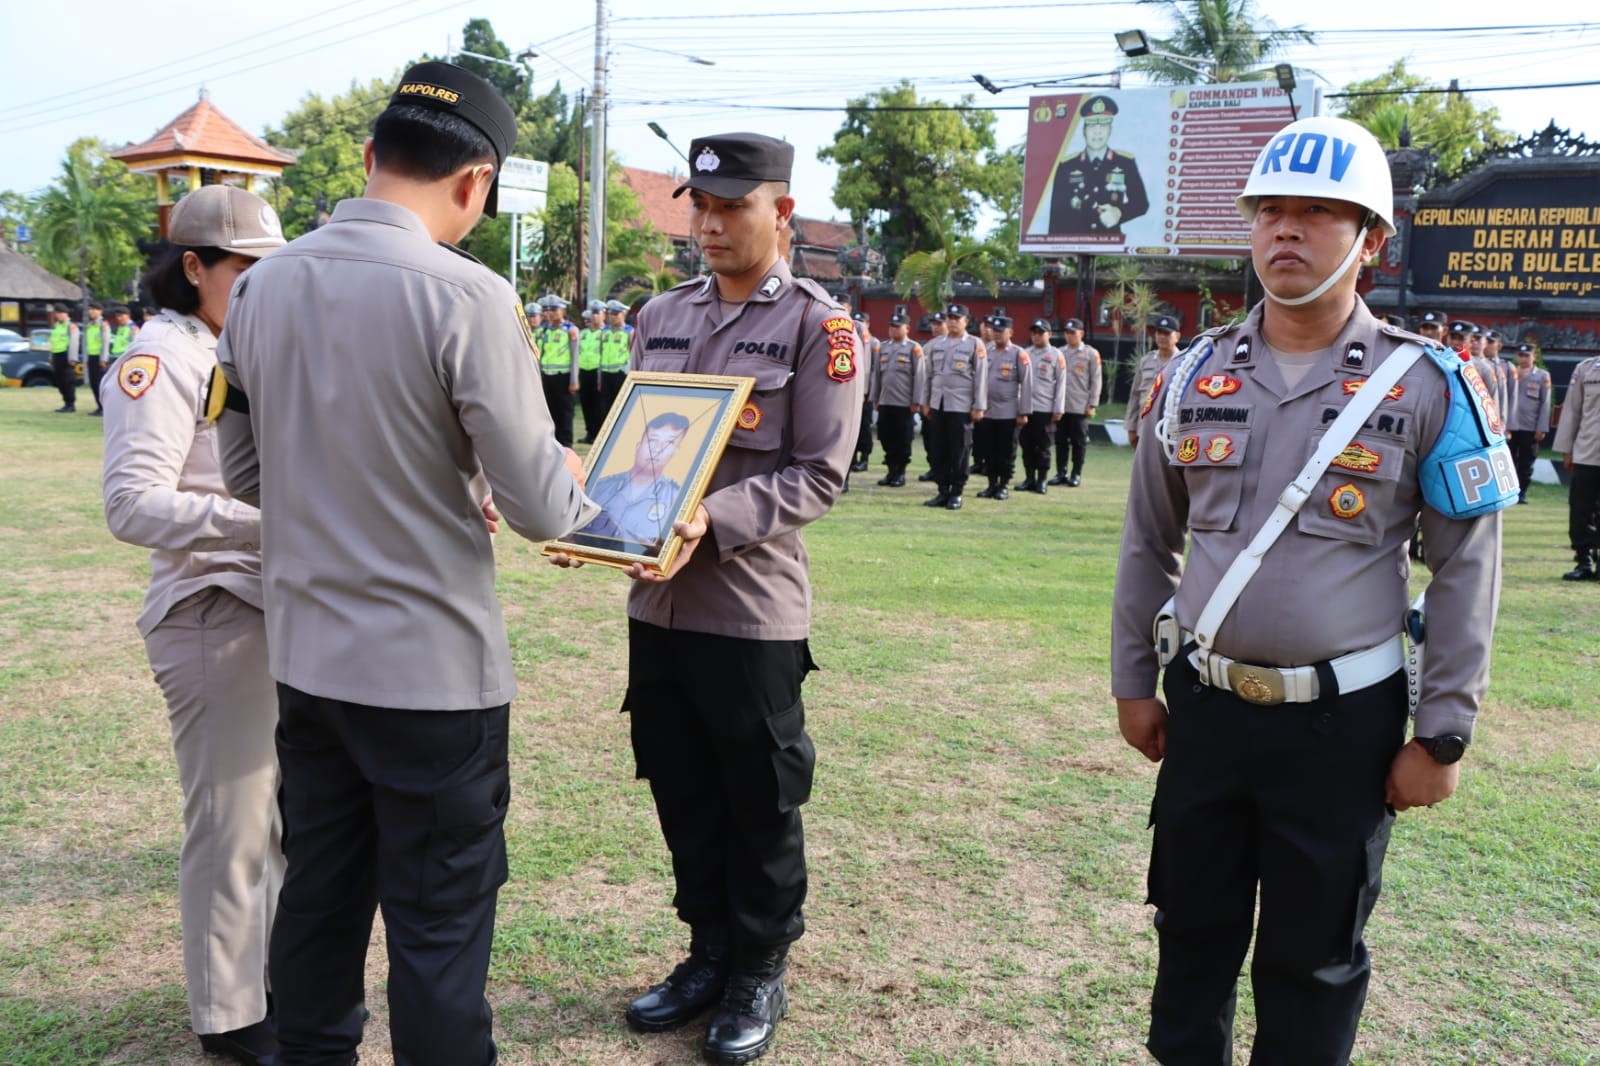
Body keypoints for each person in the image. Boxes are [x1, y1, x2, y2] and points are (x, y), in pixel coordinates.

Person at [1112, 115, 1514, 1066]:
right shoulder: (1192, 375)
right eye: (1270, 213)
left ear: (1372, 240)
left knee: (1314, 961)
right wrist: (1134, 679)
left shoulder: (1432, 386)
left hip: (1345, 728)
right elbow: (1146, 541)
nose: (1285, 233)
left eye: (1318, 215)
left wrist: (1443, 731)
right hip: (1206, 710)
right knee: (1191, 943)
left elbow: (1465, 570)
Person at [213, 61, 592, 1066]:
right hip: (432, 679)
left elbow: (243, 475)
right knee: (436, 936)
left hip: (309, 664)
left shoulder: (259, 287)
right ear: (475, 184)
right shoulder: (469, 295)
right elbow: (541, 504)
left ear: (371, 156)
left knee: (320, 906)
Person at [583, 131, 859, 1065]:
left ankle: (759, 968)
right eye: (697, 206)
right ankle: (706, 951)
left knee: (758, 797)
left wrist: (711, 517)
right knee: (681, 785)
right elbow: (635, 449)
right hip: (657, 605)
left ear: (780, 211)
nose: (707, 224)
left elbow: (818, 476)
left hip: (747, 610)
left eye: (729, 207)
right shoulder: (660, 313)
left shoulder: (820, 328)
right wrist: (606, 514)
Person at [102, 184, 286, 1066]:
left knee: (272, 816)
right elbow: (131, 504)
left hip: (266, 604)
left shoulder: (230, 346)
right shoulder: (163, 358)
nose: (260, 285)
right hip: (212, 608)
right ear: (194, 267)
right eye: (245, 268)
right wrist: (276, 523)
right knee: (230, 820)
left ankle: (262, 982)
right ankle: (229, 1015)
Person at [570, 411, 690, 556]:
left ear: (675, 452)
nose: (658, 449)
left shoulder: (678, 498)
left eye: (669, 443)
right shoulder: (599, 487)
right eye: (652, 440)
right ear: (638, 445)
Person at [1048, 95, 1149, 236]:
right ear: (1084, 131)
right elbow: (1056, 214)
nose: (1097, 131)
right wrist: (1055, 253)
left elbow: (1141, 203)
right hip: (1076, 243)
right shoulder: (1067, 166)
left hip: (1111, 242)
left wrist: (1119, 212)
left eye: (1103, 124)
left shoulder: (1125, 163)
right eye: (1091, 125)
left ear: (1110, 130)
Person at [919, 304, 986, 509]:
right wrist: (925, 401)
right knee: (939, 448)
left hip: (961, 405)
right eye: (950, 317)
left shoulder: (975, 344)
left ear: (966, 321)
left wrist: (979, 405)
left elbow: (981, 377)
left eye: (957, 318)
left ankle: (957, 491)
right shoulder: (935, 344)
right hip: (938, 403)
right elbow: (928, 375)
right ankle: (942, 490)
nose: (952, 321)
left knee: (959, 449)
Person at [974, 315, 1031, 500]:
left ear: (1010, 332)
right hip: (988, 410)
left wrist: (1023, 412)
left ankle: (1003, 485)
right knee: (988, 450)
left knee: (1006, 451)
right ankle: (991, 485)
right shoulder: (986, 351)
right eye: (994, 330)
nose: (996, 334)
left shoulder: (1018, 354)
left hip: (1008, 411)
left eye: (1001, 331)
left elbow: (1027, 384)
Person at [1553, 351, 1600, 580]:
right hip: (1587, 452)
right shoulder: (1586, 369)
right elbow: (1572, 410)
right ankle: (1583, 560)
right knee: (1580, 510)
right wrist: (1567, 448)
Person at [871, 308, 926, 487]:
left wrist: (916, 401)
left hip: (904, 404)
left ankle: (900, 473)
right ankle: (890, 471)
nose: (894, 330)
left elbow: (920, 376)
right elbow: (877, 375)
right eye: (892, 327)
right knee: (886, 438)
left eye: (898, 327)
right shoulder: (883, 347)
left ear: (907, 329)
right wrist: (875, 397)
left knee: (902, 440)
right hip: (886, 402)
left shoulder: (914, 348)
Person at [1049, 317, 1102, 486]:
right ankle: (1061, 473)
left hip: (1079, 405)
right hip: (1060, 405)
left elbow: (1096, 380)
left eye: (1073, 333)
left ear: (1081, 333)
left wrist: (1092, 404)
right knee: (1060, 441)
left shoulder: (1090, 354)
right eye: (1067, 333)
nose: (1069, 336)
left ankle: (1076, 474)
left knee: (1078, 442)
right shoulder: (1059, 352)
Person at [1019, 319, 1066, 493]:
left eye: (1041, 332)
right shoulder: (1025, 353)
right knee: (1026, 444)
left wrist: (1058, 408)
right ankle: (1029, 478)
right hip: (1026, 407)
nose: (1037, 336)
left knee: (1043, 446)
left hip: (1045, 407)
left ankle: (1042, 480)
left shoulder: (1056, 355)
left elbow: (1061, 383)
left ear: (1050, 334)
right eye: (1034, 333)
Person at [1507, 342, 1552, 503]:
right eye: (1520, 355)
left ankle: (1521, 493)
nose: (1523, 358)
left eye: (1527, 355)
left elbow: (1545, 403)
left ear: (1534, 356)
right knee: (1508, 461)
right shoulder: (1510, 372)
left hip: (1530, 426)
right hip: (1510, 426)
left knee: (1526, 462)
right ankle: (1509, 492)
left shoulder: (1542, 376)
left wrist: (1542, 427)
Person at [1127, 315, 1180, 451]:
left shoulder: (1183, 362)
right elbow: (1135, 395)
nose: (1162, 337)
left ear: (1177, 336)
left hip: (1170, 427)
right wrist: (1131, 426)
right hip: (1144, 425)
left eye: (1167, 333)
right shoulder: (1146, 361)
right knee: (1143, 469)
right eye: (1159, 332)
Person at [535, 293, 581, 445]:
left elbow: (575, 357)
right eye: (547, 310)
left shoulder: (570, 330)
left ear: (563, 311)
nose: (550, 313)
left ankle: (566, 444)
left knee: (565, 413)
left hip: (564, 377)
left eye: (554, 310)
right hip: (548, 377)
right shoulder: (544, 331)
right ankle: (553, 443)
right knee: (550, 412)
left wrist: (574, 380)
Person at [850, 310, 878, 474]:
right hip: (852, 392)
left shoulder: (873, 344)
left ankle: (864, 459)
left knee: (864, 427)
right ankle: (852, 459)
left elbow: (874, 370)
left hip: (865, 393)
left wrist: (869, 392)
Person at [577, 299, 607, 443]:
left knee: (599, 405)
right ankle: (590, 433)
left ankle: (599, 434)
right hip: (584, 371)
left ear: (603, 315)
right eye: (593, 313)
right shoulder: (584, 333)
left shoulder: (605, 333)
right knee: (586, 404)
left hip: (598, 372)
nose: (594, 317)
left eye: (597, 313)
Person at [599, 298, 633, 416]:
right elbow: (601, 354)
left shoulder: (629, 331)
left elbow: (632, 353)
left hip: (620, 373)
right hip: (605, 373)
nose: (612, 317)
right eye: (611, 314)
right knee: (605, 407)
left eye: (616, 314)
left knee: (620, 406)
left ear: (623, 314)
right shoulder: (605, 332)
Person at [81, 300, 111, 416]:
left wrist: (103, 359)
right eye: (90, 309)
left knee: (100, 383)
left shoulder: (103, 325)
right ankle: (99, 407)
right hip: (91, 356)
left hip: (100, 358)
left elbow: (105, 342)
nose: (91, 312)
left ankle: (104, 407)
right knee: (93, 383)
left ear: (100, 311)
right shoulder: (89, 325)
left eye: (94, 309)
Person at [48, 304, 79, 412]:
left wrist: (72, 358)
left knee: (67, 381)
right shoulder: (57, 326)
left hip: (66, 355)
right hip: (57, 355)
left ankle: (70, 404)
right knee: (59, 381)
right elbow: (53, 342)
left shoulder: (70, 326)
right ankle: (66, 402)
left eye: (60, 313)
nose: (58, 315)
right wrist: (51, 356)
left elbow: (74, 343)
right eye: (57, 313)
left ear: (65, 314)